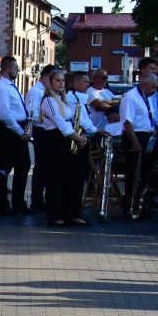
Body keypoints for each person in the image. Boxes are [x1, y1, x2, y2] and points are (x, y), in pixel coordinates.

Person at [39, 69, 89, 227]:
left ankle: (72, 213)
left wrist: (82, 135)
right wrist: (77, 138)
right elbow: (60, 123)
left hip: (69, 141)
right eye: (57, 80)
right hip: (56, 142)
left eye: (62, 80)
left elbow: (74, 120)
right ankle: (55, 215)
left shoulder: (64, 100)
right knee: (56, 180)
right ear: (51, 83)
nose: (60, 83)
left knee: (73, 179)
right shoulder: (48, 100)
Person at [0, 56, 31, 216]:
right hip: (7, 130)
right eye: (15, 68)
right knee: (3, 168)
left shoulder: (10, 86)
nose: (17, 71)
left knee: (23, 165)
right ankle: (2, 205)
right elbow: (5, 114)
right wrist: (20, 132)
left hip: (16, 128)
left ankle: (19, 203)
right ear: (7, 69)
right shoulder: (1, 88)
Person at [120, 73, 158, 218]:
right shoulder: (131, 97)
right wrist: (135, 143)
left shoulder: (148, 97)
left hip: (147, 137)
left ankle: (139, 205)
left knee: (145, 173)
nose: (155, 90)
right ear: (144, 85)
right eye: (153, 87)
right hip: (135, 137)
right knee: (134, 175)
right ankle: (130, 207)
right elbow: (127, 122)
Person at [66, 71, 99, 220]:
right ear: (76, 83)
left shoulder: (81, 98)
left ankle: (75, 211)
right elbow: (81, 121)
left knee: (80, 178)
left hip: (84, 140)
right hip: (77, 142)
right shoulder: (72, 99)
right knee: (76, 179)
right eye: (85, 82)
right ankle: (73, 212)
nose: (88, 84)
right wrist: (96, 130)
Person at [25, 64, 54, 211]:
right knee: (41, 166)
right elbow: (32, 113)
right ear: (45, 76)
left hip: (46, 131)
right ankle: (36, 199)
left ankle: (41, 198)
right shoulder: (36, 91)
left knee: (46, 166)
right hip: (40, 130)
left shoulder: (45, 91)